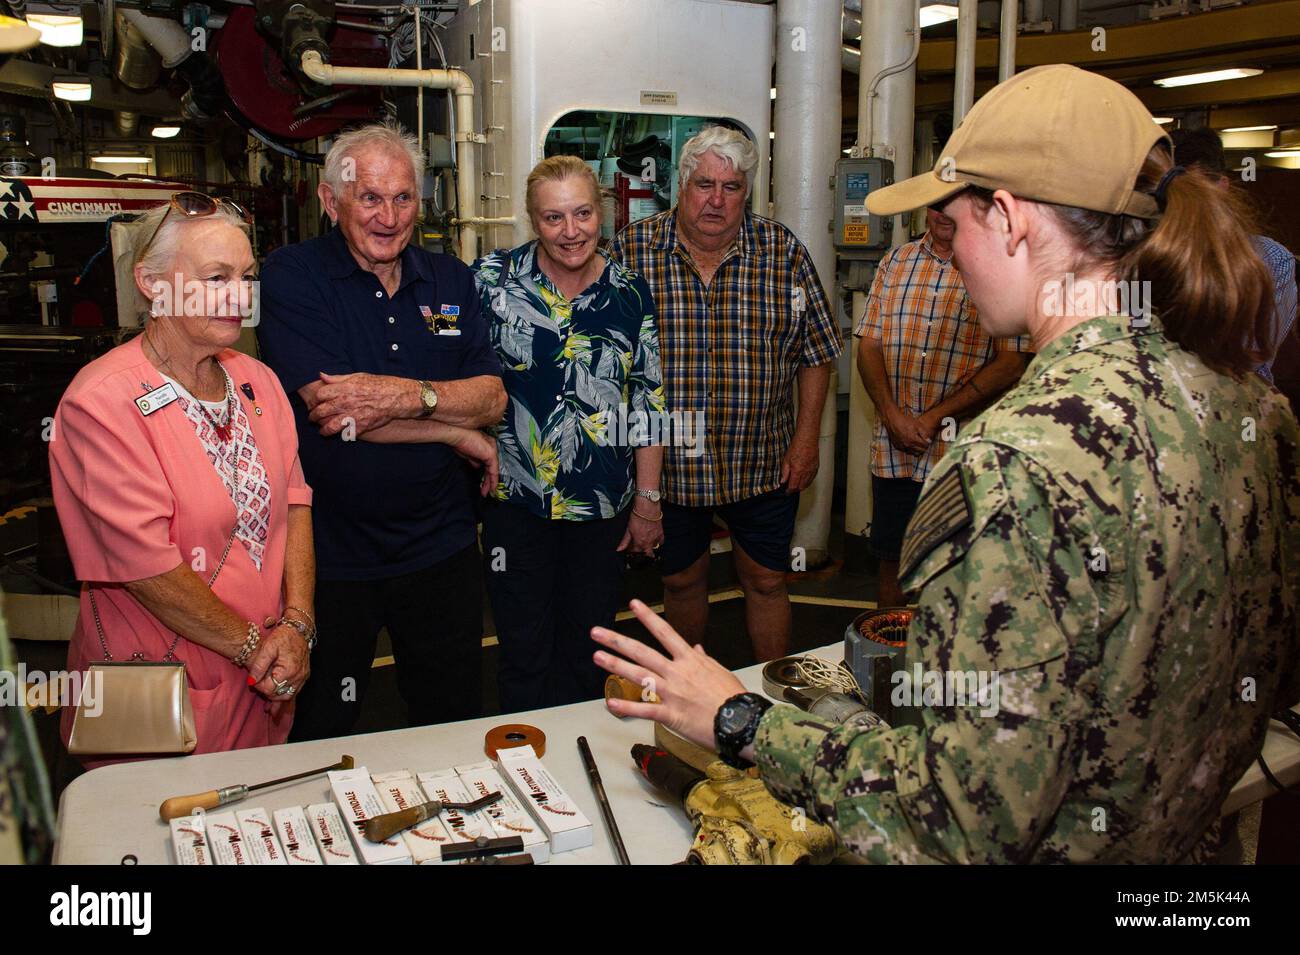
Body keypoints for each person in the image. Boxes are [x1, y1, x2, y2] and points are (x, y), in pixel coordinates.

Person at [591, 64, 1300, 863]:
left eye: (950, 220)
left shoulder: (1016, 465)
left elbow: (956, 822)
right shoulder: (1253, 411)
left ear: (1008, 217)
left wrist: (740, 719)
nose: (949, 250)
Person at [257, 121, 505, 740]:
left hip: (440, 548)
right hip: (331, 555)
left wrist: (403, 395)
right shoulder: (292, 276)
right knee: (322, 727)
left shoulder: (450, 281)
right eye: (369, 197)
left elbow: (493, 396)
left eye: (403, 198)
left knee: (449, 721)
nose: (389, 216)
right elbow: (336, 414)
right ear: (329, 199)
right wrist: (452, 430)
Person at [50, 194, 316, 766]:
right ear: (151, 283)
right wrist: (256, 646)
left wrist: (298, 624)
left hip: (264, 680)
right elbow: (147, 568)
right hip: (156, 695)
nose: (240, 295)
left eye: (247, 276)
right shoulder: (100, 402)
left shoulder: (259, 382)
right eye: (216, 277)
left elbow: (294, 505)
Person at [611, 126, 841, 662]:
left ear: (747, 192)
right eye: (704, 184)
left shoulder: (782, 252)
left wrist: (806, 442)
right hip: (670, 468)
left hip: (761, 461)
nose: (716, 199)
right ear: (681, 185)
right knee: (682, 584)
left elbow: (818, 352)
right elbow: (608, 362)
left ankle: (770, 697)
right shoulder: (633, 253)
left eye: (732, 187)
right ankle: (693, 695)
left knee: (765, 581)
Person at [473, 155, 664, 711]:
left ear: (600, 214)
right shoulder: (489, 282)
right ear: (533, 220)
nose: (571, 231)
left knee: (590, 654)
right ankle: (524, 770)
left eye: (582, 213)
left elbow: (648, 401)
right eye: (553, 218)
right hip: (514, 501)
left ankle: (581, 766)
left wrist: (648, 503)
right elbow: (456, 372)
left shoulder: (630, 293)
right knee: (522, 651)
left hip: (599, 509)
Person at [857, 207, 1030, 607]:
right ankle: (892, 662)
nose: (945, 213)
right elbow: (869, 344)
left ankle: (946, 667)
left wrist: (936, 417)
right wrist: (891, 415)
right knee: (893, 564)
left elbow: (1011, 362)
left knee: (957, 571)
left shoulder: (996, 264)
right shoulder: (896, 261)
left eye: (956, 203)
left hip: (959, 455)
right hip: (894, 452)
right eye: (937, 203)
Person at [1169, 127, 1297, 383]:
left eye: (1194, 193)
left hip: (1235, 407)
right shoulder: (1147, 254)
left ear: (1222, 187)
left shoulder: (1269, 260)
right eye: (1170, 195)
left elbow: (1249, 358)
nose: (1183, 206)